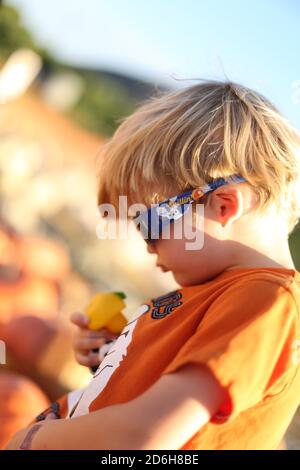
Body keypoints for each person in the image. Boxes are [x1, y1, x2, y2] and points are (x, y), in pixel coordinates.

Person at [6, 80, 300, 450]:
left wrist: (36, 439)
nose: (148, 247)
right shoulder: (224, 295)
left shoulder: (268, 302)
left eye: (149, 225)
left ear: (223, 205)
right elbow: (164, 404)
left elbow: (147, 437)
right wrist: (111, 359)